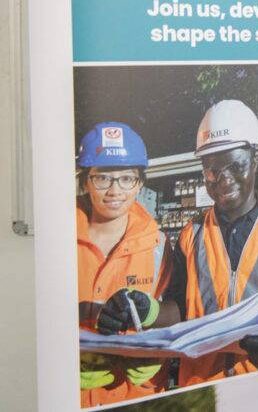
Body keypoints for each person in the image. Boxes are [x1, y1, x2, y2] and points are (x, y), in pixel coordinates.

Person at [95, 99, 258, 386]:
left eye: (235, 166)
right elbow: (181, 308)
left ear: (254, 161)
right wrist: (144, 309)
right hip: (201, 388)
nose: (224, 181)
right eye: (212, 170)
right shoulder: (192, 234)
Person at [77, 122, 170, 407]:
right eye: (102, 178)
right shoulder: (54, 239)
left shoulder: (159, 244)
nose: (115, 190)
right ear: (84, 182)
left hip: (139, 398)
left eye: (127, 178)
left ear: (140, 183)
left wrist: (159, 354)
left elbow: (173, 311)